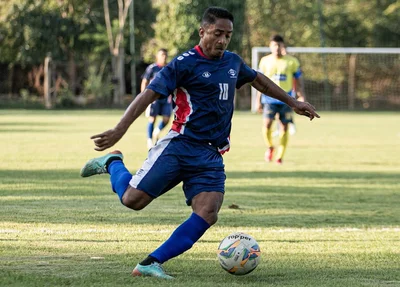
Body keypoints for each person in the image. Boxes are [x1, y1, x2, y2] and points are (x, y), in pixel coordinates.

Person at [80, 7, 319, 279]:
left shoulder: (232, 62)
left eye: (227, 35)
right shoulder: (183, 64)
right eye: (217, 33)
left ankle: (150, 262)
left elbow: (259, 82)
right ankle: (113, 163)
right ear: (202, 31)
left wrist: (293, 102)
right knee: (133, 201)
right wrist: (119, 129)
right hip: (180, 146)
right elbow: (148, 95)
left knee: (208, 212)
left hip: (212, 154)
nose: (222, 40)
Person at [256, 35, 307, 164]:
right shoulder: (264, 61)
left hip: (287, 100)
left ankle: (280, 156)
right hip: (268, 99)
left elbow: (298, 81)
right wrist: (258, 100)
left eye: (279, 45)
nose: (277, 48)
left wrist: (301, 95)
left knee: (284, 127)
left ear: (283, 46)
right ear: (270, 46)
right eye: (274, 45)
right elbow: (259, 82)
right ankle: (270, 147)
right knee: (267, 125)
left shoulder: (292, 62)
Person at [141, 48, 172, 149]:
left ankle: (157, 131)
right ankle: (149, 140)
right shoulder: (152, 68)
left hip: (166, 98)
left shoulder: (169, 68)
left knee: (167, 119)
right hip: (154, 98)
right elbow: (145, 81)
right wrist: (143, 97)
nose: (164, 57)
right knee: (152, 119)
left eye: (165, 55)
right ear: (157, 56)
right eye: (162, 55)